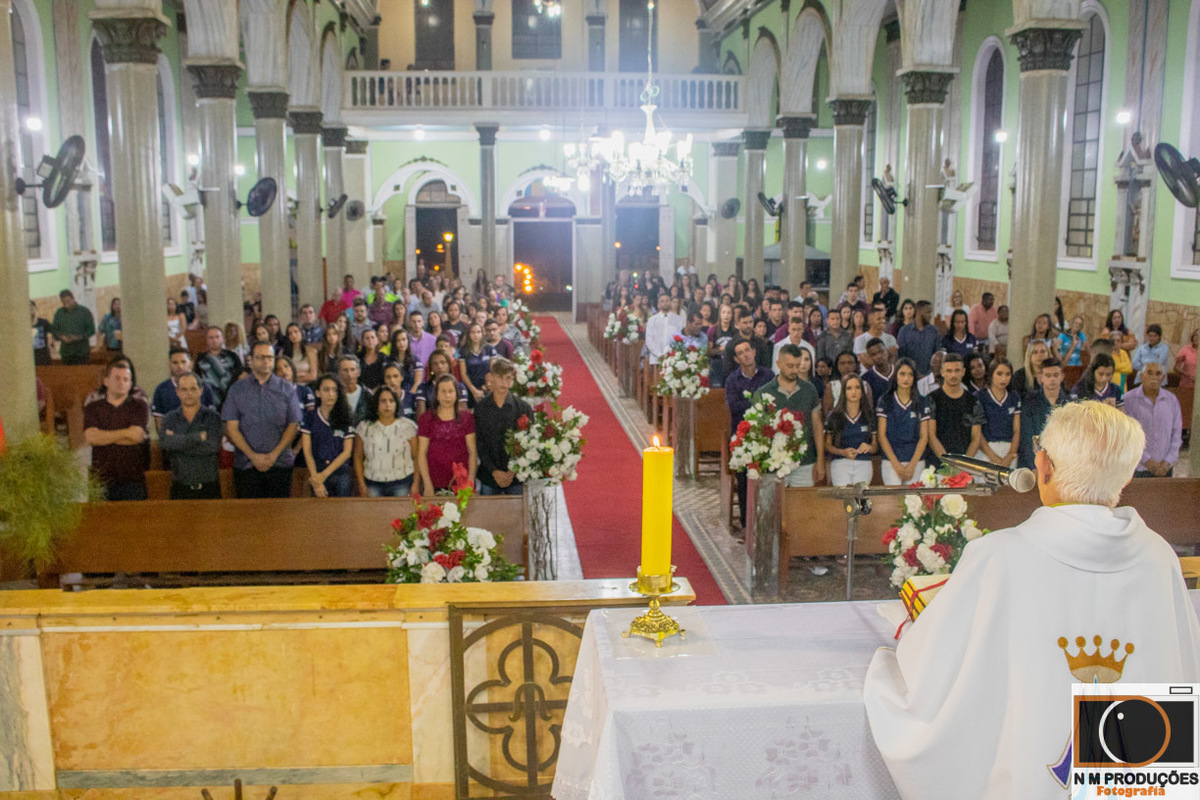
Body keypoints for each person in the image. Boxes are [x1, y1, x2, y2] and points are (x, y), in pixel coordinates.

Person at [864, 400, 1200, 800]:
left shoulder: (1000, 556)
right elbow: (1181, 674)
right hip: (1136, 776)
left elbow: (930, 677)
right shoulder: (1158, 557)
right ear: (1124, 478)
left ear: (1043, 466)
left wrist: (890, 664)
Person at [221, 340, 303, 498]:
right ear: (251, 360)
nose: (266, 361)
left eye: (269, 357)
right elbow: (231, 427)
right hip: (246, 465)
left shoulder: (286, 389)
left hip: (279, 464)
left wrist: (273, 456)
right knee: (248, 518)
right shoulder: (237, 389)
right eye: (260, 357)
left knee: (279, 517)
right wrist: (253, 456)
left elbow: (293, 425)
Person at [751, 344, 825, 487]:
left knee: (802, 506)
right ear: (778, 364)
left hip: (805, 461)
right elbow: (757, 430)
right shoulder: (763, 393)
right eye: (790, 366)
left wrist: (820, 459)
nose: (795, 370)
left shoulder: (809, 390)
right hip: (773, 464)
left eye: (798, 365)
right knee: (772, 507)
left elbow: (817, 425)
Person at [83, 360, 150, 500]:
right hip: (101, 480)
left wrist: (104, 437)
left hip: (133, 480)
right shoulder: (93, 408)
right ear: (106, 381)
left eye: (126, 379)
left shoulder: (139, 406)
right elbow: (91, 437)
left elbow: (137, 436)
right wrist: (126, 433)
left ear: (130, 384)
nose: (121, 382)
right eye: (117, 378)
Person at [725, 339, 774, 531]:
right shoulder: (732, 380)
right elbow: (734, 407)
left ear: (753, 352)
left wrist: (755, 405)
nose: (746, 354)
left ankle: (765, 521)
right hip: (742, 436)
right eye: (741, 352)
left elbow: (772, 403)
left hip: (765, 432)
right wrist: (757, 403)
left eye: (748, 350)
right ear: (737, 359)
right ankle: (747, 523)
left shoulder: (768, 375)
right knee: (744, 479)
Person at [159, 372, 223, 499]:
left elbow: (212, 447)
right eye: (184, 389)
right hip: (180, 488)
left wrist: (178, 442)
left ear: (200, 390)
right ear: (177, 392)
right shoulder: (169, 419)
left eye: (193, 389)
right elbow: (166, 443)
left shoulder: (213, 417)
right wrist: (198, 438)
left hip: (209, 488)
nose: (189, 393)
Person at [474, 359, 533, 496]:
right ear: (491, 378)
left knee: (517, 516)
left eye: (508, 378)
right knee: (488, 515)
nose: (504, 382)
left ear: (513, 380)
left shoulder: (523, 408)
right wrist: (494, 471)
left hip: (516, 476)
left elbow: (528, 441)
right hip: (489, 475)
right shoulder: (481, 408)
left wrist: (512, 470)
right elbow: (479, 442)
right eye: (500, 377)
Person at [417, 374, 478, 494]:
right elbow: (421, 454)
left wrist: (470, 481)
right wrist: (427, 483)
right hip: (434, 483)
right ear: (437, 395)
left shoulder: (467, 418)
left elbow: (472, 452)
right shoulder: (426, 418)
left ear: (456, 394)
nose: (447, 396)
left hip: (461, 483)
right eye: (443, 391)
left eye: (451, 391)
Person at [353, 387, 418, 497]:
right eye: (383, 401)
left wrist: (416, 483)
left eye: (391, 401)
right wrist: (361, 484)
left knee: (401, 514)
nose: (387, 405)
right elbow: (358, 457)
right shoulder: (364, 427)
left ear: (396, 403)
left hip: (402, 482)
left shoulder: (408, 426)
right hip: (372, 483)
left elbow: (416, 457)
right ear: (376, 404)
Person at [300, 374, 356, 497]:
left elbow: (347, 452)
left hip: (340, 472)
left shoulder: (346, 416)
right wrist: (316, 479)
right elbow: (307, 450)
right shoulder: (310, 416)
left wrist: (324, 475)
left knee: (342, 512)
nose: (331, 394)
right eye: (326, 390)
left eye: (334, 390)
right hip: (317, 470)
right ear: (318, 393)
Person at [875, 358, 929, 485]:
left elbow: (924, 436)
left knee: (914, 502)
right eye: (902, 374)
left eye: (910, 374)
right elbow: (882, 436)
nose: (906, 378)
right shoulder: (885, 400)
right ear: (896, 376)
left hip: (916, 461)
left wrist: (912, 465)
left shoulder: (922, 401)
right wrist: (896, 465)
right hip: (891, 461)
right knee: (893, 502)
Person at [1124, 361, 1183, 478]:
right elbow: (1128, 436)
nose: (1154, 377)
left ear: (1163, 378)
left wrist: (1168, 461)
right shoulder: (1128, 400)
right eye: (1149, 373)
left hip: (1165, 468)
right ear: (1141, 376)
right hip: (1138, 468)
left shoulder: (1171, 400)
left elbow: (1176, 434)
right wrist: (1147, 461)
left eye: (1158, 374)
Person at [1017, 356, 1069, 470]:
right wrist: (1035, 466)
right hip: (1035, 462)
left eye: (1056, 375)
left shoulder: (1070, 405)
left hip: (1063, 463)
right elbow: (1027, 438)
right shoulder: (1029, 402)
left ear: (1062, 377)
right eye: (1048, 375)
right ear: (1040, 378)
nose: (1052, 379)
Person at [824, 373, 877, 486]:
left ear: (862, 391)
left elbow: (875, 446)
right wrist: (842, 452)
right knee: (844, 499)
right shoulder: (834, 416)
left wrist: (868, 447)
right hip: (840, 463)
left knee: (860, 498)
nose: (854, 392)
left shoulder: (869, 416)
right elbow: (827, 445)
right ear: (843, 392)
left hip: (863, 463)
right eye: (849, 388)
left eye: (857, 387)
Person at [969, 358, 1021, 466]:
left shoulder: (1014, 397)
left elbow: (1017, 430)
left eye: (1008, 374)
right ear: (991, 374)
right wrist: (994, 458)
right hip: (985, 451)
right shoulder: (979, 397)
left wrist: (1011, 454)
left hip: (1009, 451)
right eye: (999, 374)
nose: (1004, 378)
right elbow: (978, 434)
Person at [151, 348, 217, 430]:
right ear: (169, 364)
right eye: (175, 363)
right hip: (173, 439)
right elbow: (159, 423)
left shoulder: (205, 387)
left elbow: (212, 419)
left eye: (183, 362)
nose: (180, 366)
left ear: (191, 364)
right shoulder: (161, 389)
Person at [927, 353, 975, 464]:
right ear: (942, 372)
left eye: (957, 370)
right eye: (949, 371)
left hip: (964, 467)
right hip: (937, 465)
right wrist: (948, 463)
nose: (953, 375)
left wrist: (963, 465)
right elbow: (931, 435)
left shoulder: (973, 401)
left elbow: (976, 438)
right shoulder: (931, 399)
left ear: (963, 372)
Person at [195, 326, 244, 406]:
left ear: (222, 339)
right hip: (209, 401)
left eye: (217, 337)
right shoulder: (200, 358)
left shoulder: (232, 356)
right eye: (211, 337)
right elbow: (197, 378)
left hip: (230, 400)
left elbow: (240, 376)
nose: (214, 340)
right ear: (207, 340)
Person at [414, 350, 467, 417]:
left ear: (448, 365)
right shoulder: (423, 388)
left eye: (443, 362)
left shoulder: (460, 387)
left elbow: (462, 415)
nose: (439, 366)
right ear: (431, 368)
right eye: (435, 363)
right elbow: (421, 416)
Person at [723, 305, 772, 376]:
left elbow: (766, 367)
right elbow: (727, 370)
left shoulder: (761, 344)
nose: (748, 325)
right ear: (738, 324)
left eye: (750, 322)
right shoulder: (731, 345)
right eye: (745, 323)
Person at [51, 289, 95, 365]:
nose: (66, 305)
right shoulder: (59, 313)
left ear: (73, 298)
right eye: (63, 303)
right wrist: (61, 337)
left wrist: (78, 337)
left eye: (68, 301)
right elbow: (54, 330)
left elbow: (91, 330)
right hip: (66, 353)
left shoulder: (84, 311)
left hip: (82, 352)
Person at [896, 301, 939, 376]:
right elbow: (901, 357)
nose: (930, 316)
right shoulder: (904, 331)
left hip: (929, 377)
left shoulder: (933, 331)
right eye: (928, 312)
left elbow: (937, 354)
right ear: (919, 312)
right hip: (910, 376)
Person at [854, 304, 898, 369]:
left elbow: (891, 363)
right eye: (879, 319)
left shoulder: (890, 338)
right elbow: (867, 363)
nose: (883, 321)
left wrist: (873, 355)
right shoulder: (860, 339)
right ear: (870, 320)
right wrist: (888, 352)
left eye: (884, 318)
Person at [644, 293, 683, 365]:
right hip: (656, 359)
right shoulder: (652, 320)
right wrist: (659, 354)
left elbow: (681, 338)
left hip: (673, 358)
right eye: (662, 301)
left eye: (667, 300)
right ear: (658, 304)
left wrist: (671, 353)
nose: (665, 303)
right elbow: (649, 340)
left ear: (670, 303)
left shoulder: (678, 319)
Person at [707, 303, 736, 388]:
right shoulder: (712, 330)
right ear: (720, 314)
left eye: (728, 313)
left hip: (732, 365)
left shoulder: (736, 331)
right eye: (723, 312)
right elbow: (709, 351)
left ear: (732, 315)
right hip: (717, 365)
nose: (726, 315)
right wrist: (720, 349)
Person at [336, 354, 372, 425]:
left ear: (358, 372)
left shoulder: (368, 396)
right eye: (345, 370)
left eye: (352, 370)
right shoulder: (334, 396)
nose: (349, 374)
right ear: (339, 373)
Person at [861, 337, 896, 401]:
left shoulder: (900, 372)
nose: (879, 356)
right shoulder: (866, 379)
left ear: (887, 351)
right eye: (874, 354)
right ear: (869, 357)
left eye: (881, 352)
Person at [31, 300, 53, 365]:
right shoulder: (23, 325)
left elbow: (54, 331)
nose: (30, 310)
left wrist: (53, 341)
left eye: (32, 308)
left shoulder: (43, 322)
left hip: (43, 357)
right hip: (30, 357)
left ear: (35, 309)